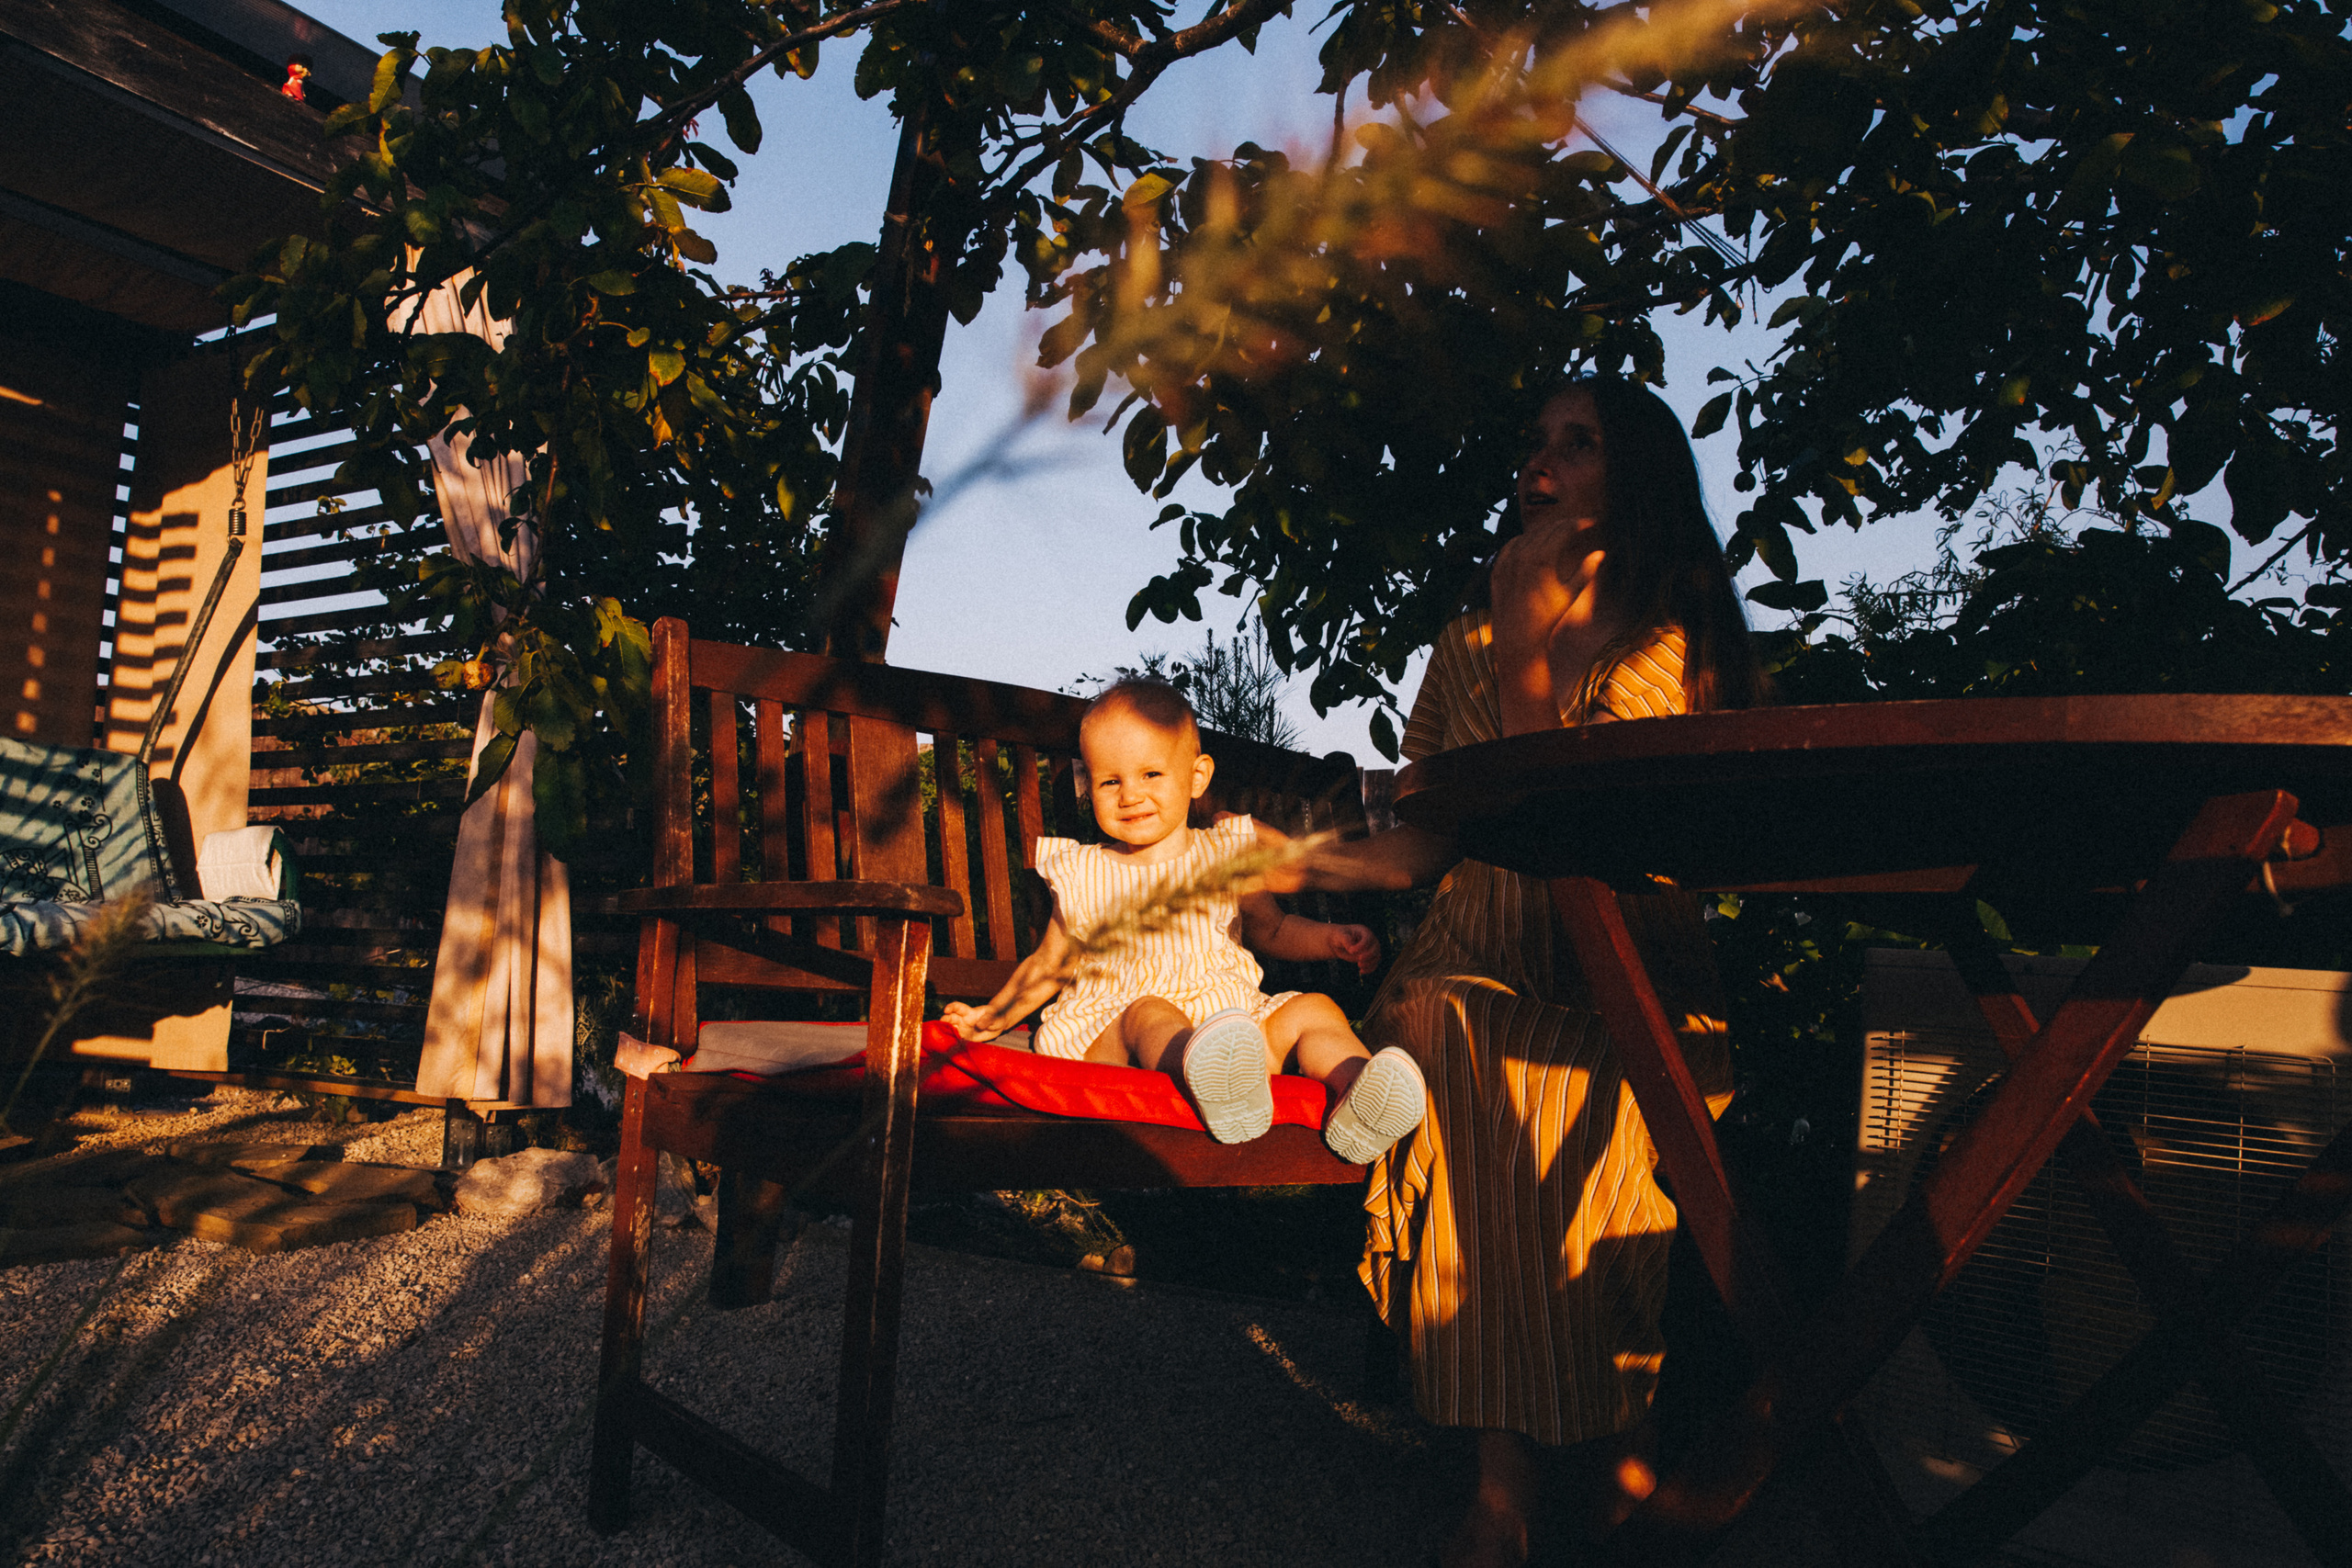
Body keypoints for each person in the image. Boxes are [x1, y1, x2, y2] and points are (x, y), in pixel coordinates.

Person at [1280, 376, 1763, 1566]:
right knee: (1458, 1034)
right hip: (1479, 952)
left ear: (1635, 474)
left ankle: (1606, 1445)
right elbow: (1427, 832)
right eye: (1535, 442)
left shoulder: (1673, 628)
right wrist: (1296, 858)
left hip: (1624, 962)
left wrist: (1532, 639)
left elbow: (1586, 824)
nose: (1544, 462)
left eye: (1579, 442)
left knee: (1572, 1083)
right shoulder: (1468, 640)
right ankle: (1515, 1486)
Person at [942, 679, 1429, 1164]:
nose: (1130, 795)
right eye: (1110, 781)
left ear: (1196, 777)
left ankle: (1359, 1095)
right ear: (1090, 786)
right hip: (1119, 1037)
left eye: (1150, 774)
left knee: (1314, 1009)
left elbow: (1271, 929)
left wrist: (1330, 940)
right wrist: (993, 1016)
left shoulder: (1224, 854)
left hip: (1233, 1030)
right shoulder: (1085, 871)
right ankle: (1215, 1085)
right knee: (1149, 1011)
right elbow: (1049, 964)